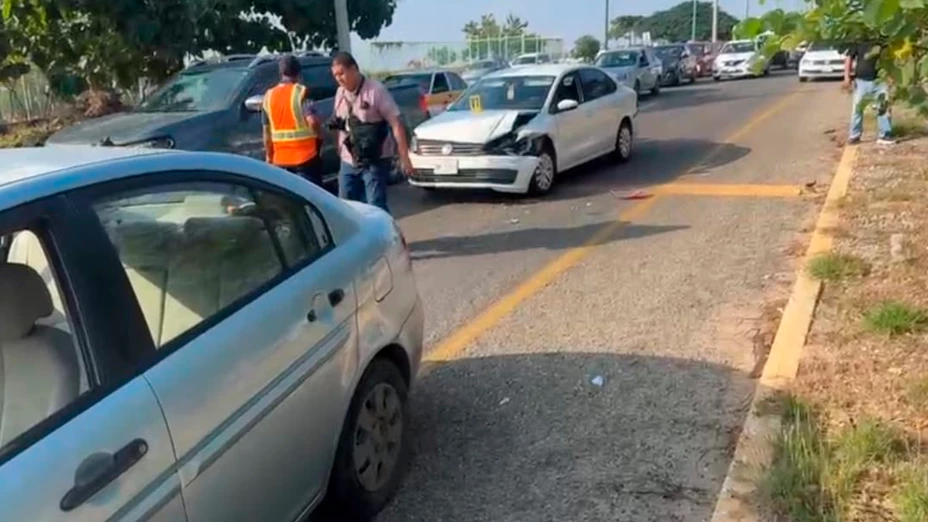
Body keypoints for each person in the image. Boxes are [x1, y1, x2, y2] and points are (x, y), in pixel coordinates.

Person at [329, 51, 414, 214]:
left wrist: (404, 156)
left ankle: (387, 237)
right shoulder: (340, 93)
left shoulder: (376, 90)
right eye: (335, 75)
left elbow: (396, 123)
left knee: (376, 205)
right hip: (349, 160)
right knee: (345, 204)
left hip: (375, 159)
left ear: (354, 69)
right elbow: (340, 124)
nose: (339, 78)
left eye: (342, 73)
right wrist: (339, 148)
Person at [263, 55, 325, 184]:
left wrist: (269, 157)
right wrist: (320, 136)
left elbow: (266, 134)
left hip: (280, 160)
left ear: (281, 73)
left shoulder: (269, 96)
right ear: (299, 74)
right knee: (311, 199)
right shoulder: (301, 92)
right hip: (305, 159)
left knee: (287, 201)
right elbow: (312, 121)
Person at [844, 41, 895, 145]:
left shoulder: (881, 39)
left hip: (880, 80)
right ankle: (854, 135)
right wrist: (846, 77)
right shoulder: (858, 40)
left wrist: (891, 77)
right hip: (861, 81)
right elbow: (849, 58)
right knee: (858, 109)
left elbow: (889, 58)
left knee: (883, 108)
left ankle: (885, 135)